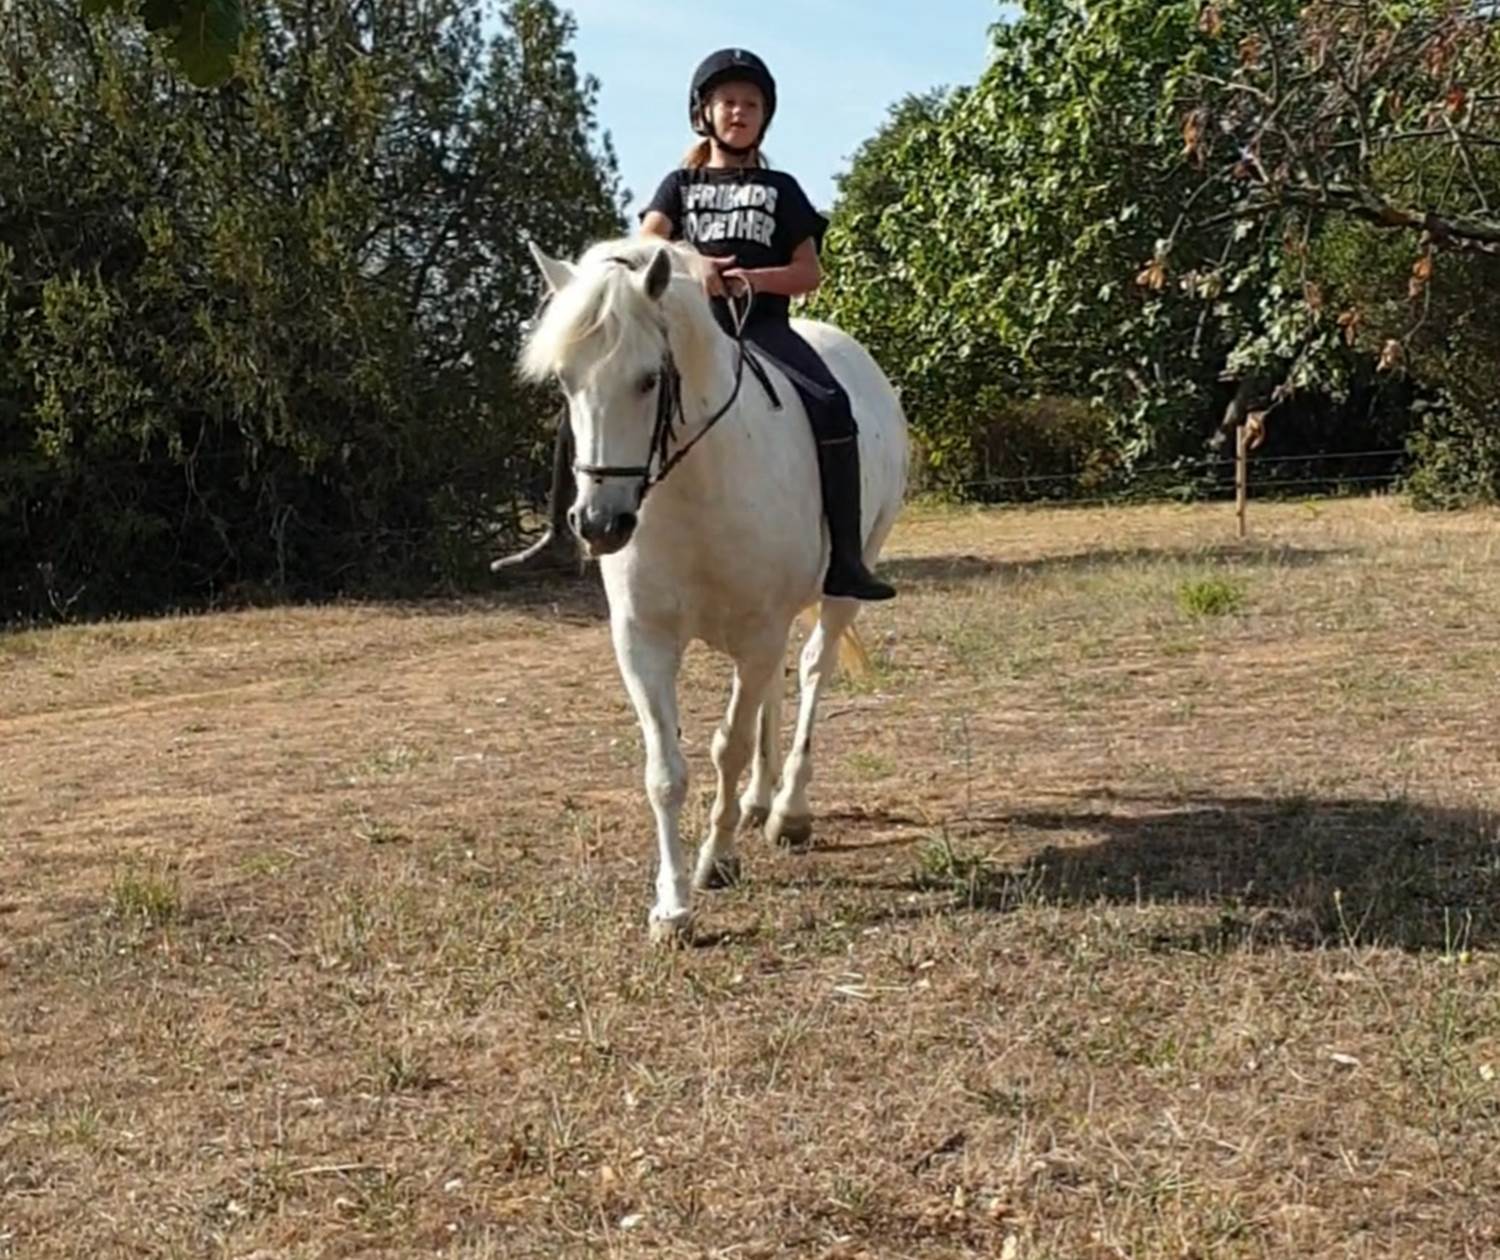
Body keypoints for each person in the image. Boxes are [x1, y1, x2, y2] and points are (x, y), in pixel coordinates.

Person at [637, 48, 894, 602]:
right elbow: (646, 246)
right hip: (688, 330)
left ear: (764, 116)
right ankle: (562, 535)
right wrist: (695, 263)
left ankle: (846, 559)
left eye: (751, 104)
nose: (739, 112)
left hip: (762, 329)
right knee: (604, 382)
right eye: (727, 101)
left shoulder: (784, 190)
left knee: (831, 402)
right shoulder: (678, 185)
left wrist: (751, 280)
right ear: (704, 112)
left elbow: (809, 273)